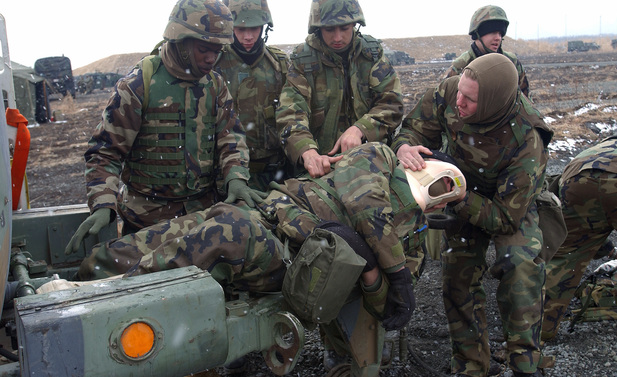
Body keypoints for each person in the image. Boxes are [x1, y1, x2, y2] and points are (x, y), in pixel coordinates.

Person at [75, 142, 464, 374]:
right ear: (425, 160)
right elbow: (362, 202)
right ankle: (77, 285)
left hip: (293, 260)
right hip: (274, 217)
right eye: (447, 181)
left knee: (227, 232)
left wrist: (372, 271)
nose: (444, 193)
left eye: (453, 195)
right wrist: (389, 267)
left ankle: (104, 303)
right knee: (172, 233)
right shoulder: (379, 157)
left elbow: (387, 309)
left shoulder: (412, 241)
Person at [392, 53, 553, 377]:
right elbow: (410, 130)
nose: (459, 102)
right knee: (458, 277)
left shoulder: (527, 139)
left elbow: (507, 218)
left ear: (493, 103)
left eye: (470, 99)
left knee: (519, 267)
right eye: (459, 93)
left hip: (511, 203)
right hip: (460, 188)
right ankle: (472, 366)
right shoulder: (451, 92)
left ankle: (525, 364)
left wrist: (463, 199)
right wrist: (405, 148)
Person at [65, 0, 261, 255]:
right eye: (204, 49)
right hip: (148, 224)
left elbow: (231, 139)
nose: (211, 58)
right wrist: (103, 204)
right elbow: (105, 151)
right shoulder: (139, 85)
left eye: (217, 50)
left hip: (204, 218)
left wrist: (236, 178)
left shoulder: (215, 85)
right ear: (180, 40)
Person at [276, 0, 403, 179]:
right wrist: (307, 152)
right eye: (329, 29)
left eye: (344, 28)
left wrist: (360, 129)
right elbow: (291, 114)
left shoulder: (371, 55)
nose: (337, 37)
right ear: (318, 29)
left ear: (355, 25)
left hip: (371, 162)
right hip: (320, 167)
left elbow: (391, 103)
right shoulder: (303, 61)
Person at [542, 133, 617, 341]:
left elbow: (586, 225)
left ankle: (537, 333)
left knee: (566, 257)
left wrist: (612, 251)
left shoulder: (616, 142)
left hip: (580, 173)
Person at [215, 0, 291, 191]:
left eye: (254, 28)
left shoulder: (280, 64)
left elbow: (294, 115)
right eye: (240, 28)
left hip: (275, 175)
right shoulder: (213, 64)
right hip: (225, 178)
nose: (248, 36)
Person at [444, 5, 530, 98]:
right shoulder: (460, 66)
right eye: (492, 32)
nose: (498, 38)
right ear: (478, 34)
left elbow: (526, 100)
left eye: (500, 33)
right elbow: (445, 100)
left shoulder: (511, 62)